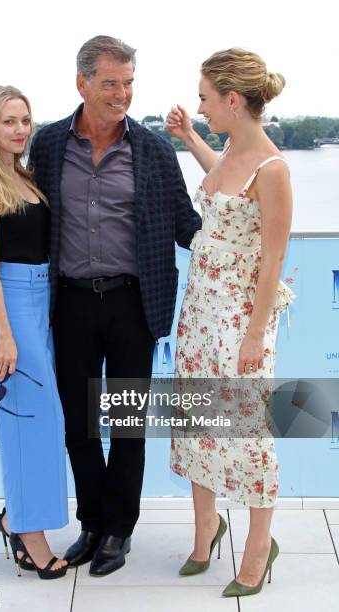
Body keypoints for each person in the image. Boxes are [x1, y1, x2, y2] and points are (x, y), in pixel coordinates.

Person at [28, 35, 202, 577]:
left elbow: (184, 223)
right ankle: (91, 524)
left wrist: (237, 236)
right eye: (110, 83)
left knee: (126, 424)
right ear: (81, 83)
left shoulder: (151, 148)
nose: (122, 93)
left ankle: (119, 532)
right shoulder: (51, 144)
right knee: (79, 425)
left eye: (128, 83)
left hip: (134, 305)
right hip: (71, 306)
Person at [167, 48, 294, 597]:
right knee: (197, 418)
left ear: (232, 99)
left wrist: (253, 336)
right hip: (197, 310)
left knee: (246, 430)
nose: (201, 106)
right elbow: (220, 189)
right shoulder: (227, 154)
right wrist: (191, 137)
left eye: (204, 98)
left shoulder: (274, 169)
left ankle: (259, 548)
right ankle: (205, 530)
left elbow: (273, 260)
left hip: (239, 319)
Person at [0, 85, 68, 580]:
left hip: (43, 302)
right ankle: (30, 537)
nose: (21, 129)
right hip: (12, 308)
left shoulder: (22, 175)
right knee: (30, 423)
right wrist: (5, 334)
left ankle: (16, 517)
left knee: (45, 424)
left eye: (25, 119)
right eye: (9, 121)